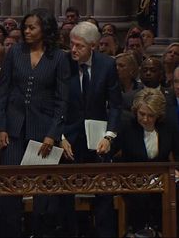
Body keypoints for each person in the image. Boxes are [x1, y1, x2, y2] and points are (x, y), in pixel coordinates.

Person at [0, 8, 70, 237]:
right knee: (10, 188)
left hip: (43, 130)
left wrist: (52, 133)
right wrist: (1, 126)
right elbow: (3, 92)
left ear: (44, 30)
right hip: (14, 129)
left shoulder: (58, 57)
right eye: (25, 27)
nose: (26, 31)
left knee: (42, 192)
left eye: (31, 27)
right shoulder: (15, 52)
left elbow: (62, 100)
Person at [60, 21, 122, 237]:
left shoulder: (106, 65)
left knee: (103, 192)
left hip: (98, 138)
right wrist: (59, 136)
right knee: (65, 194)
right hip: (68, 138)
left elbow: (115, 105)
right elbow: (52, 104)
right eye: (72, 44)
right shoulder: (63, 63)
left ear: (93, 46)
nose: (74, 50)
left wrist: (109, 136)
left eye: (79, 46)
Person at [111, 88, 179, 233]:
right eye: (142, 114)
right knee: (141, 196)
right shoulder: (127, 126)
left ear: (158, 115)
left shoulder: (169, 126)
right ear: (136, 111)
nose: (145, 119)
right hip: (132, 178)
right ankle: (139, 231)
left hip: (161, 179)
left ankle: (165, 231)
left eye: (151, 115)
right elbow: (110, 153)